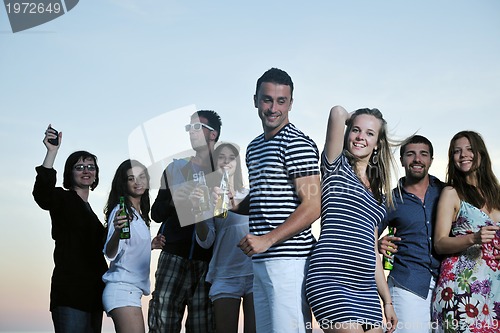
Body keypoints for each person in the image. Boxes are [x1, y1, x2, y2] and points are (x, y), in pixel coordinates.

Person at [237, 68, 321, 333]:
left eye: (281, 101)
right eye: (267, 99)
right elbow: (265, 197)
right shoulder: (254, 147)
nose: (273, 108)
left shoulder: (297, 143)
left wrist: (267, 240)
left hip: (290, 263)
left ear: (291, 104)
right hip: (261, 263)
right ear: (255, 100)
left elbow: (313, 205)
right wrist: (230, 204)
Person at [305, 106, 398, 333]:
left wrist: (387, 301)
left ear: (378, 143)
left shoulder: (379, 196)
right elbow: (337, 112)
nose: (360, 137)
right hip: (330, 279)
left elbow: (372, 252)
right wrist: (354, 118)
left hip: (366, 290)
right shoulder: (335, 167)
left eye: (369, 133)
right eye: (356, 130)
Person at [148, 110, 222, 333]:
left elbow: (223, 222)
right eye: (189, 128)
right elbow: (156, 213)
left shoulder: (224, 175)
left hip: (207, 265)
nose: (192, 132)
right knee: (162, 327)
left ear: (213, 135)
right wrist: (173, 202)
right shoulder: (174, 169)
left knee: (202, 328)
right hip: (173, 258)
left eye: (198, 127)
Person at [32, 125, 108, 333]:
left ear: (96, 175)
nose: (86, 171)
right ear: (70, 172)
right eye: (80, 166)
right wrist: (52, 152)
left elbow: (109, 248)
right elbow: (42, 194)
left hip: (94, 296)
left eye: (91, 167)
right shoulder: (63, 198)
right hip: (70, 293)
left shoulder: (94, 216)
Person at [431, 130, 500, 333]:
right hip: (461, 288)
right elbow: (440, 243)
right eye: (457, 151)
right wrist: (474, 238)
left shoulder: (496, 195)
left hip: (493, 289)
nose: (463, 155)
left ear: (481, 153)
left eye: (470, 149)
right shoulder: (451, 193)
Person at [378, 135, 443, 333]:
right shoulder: (390, 199)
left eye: (423, 154)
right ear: (402, 160)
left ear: (431, 159)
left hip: (446, 283)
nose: (417, 159)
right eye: (410, 154)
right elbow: (365, 236)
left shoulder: (446, 191)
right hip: (407, 284)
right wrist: (378, 244)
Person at [195, 142, 255, 333]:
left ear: (237, 164)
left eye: (231, 158)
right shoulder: (208, 196)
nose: (226, 161)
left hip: (254, 271)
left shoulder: (248, 194)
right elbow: (206, 242)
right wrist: (198, 213)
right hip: (225, 274)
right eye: (221, 157)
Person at [102, 159, 165, 333]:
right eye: (131, 178)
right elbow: (110, 252)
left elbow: (128, 249)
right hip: (122, 289)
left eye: (141, 177)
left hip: (131, 291)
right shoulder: (121, 212)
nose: (137, 182)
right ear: (124, 183)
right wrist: (116, 231)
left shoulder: (139, 215)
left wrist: (150, 245)